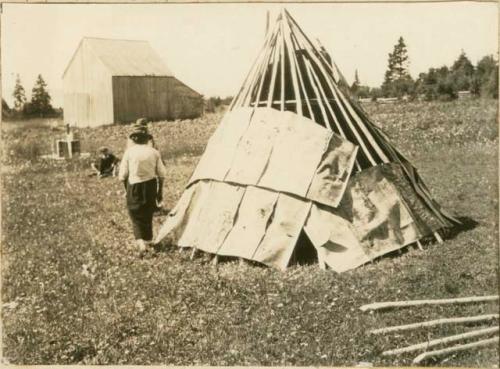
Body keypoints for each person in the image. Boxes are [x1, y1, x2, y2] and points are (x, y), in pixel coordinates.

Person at [118, 124, 167, 257]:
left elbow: (122, 175)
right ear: (147, 139)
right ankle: (148, 240)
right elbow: (162, 175)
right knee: (147, 213)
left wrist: (127, 190)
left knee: (135, 215)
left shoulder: (129, 152)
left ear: (134, 139)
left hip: (134, 185)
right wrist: (159, 192)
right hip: (150, 186)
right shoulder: (154, 152)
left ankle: (141, 243)